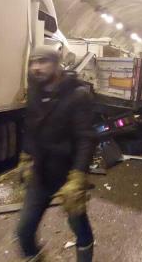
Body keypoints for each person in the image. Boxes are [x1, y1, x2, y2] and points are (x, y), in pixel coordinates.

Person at [17, 45, 96, 261]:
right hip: (41, 174)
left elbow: (85, 139)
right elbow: (31, 129)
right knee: (24, 231)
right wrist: (26, 157)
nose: (36, 67)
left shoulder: (78, 95)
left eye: (43, 62)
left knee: (79, 227)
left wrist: (78, 177)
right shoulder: (35, 92)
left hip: (68, 175)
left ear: (57, 64)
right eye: (33, 62)